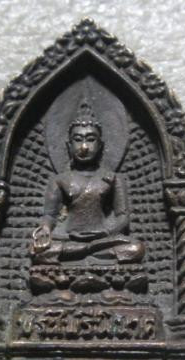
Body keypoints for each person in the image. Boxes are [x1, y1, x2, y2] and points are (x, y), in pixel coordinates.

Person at [30, 98, 145, 265]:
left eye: (90, 139)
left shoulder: (112, 178)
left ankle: (86, 252)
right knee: (39, 252)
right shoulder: (60, 180)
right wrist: (45, 229)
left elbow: (123, 217)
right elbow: (50, 215)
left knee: (136, 248)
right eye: (78, 139)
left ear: (101, 145)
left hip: (103, 237)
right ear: (69, 146)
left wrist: (105, 233)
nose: (84, 147)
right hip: (69, 237)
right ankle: (91, 253)